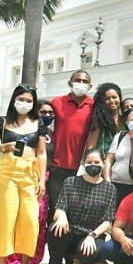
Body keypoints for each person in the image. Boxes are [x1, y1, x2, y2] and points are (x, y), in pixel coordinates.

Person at [0, 84, 47, 264]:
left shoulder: (38, 123)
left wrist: (42, 180)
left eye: (29, 100)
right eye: (21, 99)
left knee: (30, 219)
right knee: (5, 219)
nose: (25, 103)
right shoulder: (2, 122)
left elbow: (41, 152)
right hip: (6, 172)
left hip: (29, 172)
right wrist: (5, 145)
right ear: (14, 100)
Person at [45, 148, 116, 264]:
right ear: (83, 163)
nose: (93, 165)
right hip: (70, 231)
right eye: (89, 162)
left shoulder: (110, 189)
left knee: (93, 250)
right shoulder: (70, 182)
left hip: (91, 235)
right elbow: (59, 208)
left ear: (103, 163)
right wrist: (62, 217)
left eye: (97, 162)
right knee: (55, 229)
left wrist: (92, 235)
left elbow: (108, 221)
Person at [49, 70, 94, 223]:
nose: (81, 84)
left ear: (90, 86)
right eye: (78, 80)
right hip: (57, 166)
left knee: (76, 212)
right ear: (70, 83)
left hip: (81, 169)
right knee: (55, 210)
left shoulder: (94, 106)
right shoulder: (56, 103)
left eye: (85, 81)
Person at [105, 108, 133, 210]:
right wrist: (107, 182)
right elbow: (109, 160)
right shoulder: (120, 136)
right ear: (126, 122)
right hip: (115, 185)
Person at [85, 82, 123, 156]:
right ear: (102, 101)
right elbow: (90, 147)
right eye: (107, 98)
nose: (112, 100)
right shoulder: (99, 121)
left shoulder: (125, 120)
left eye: (114, 97)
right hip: (102, 160)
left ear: (120, 98)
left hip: (122, 161)